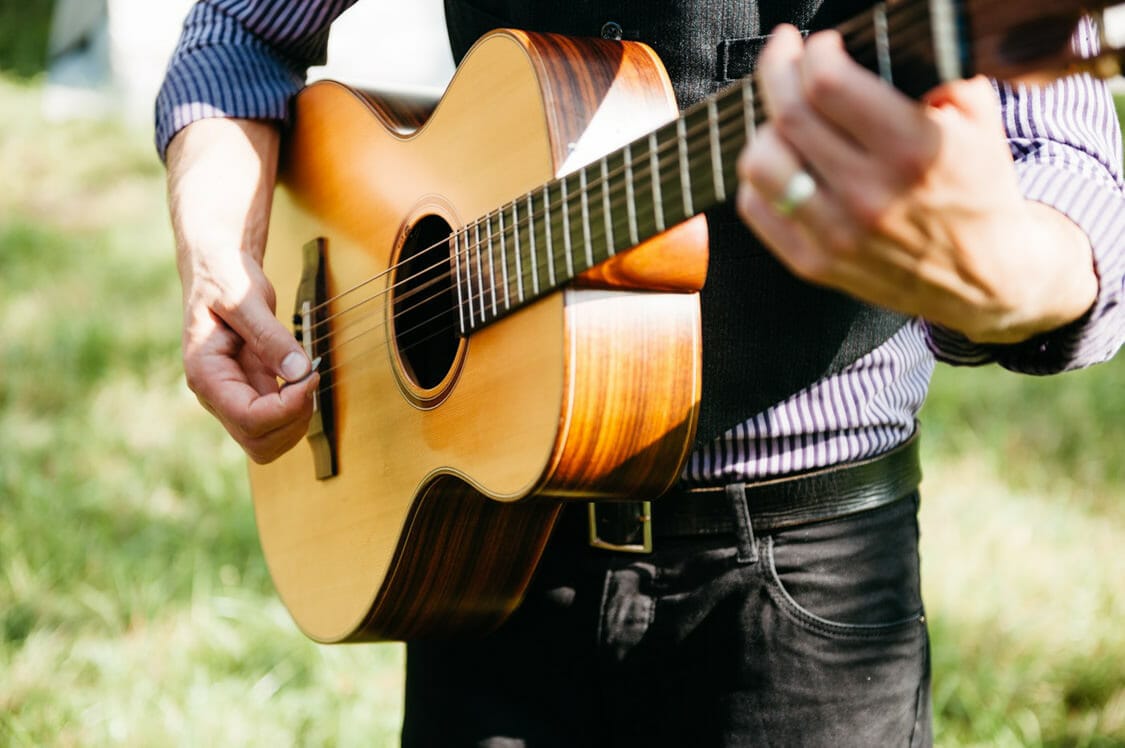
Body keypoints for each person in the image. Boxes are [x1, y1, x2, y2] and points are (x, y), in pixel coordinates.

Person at [156, 1, 1125, 745]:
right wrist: (217, 249)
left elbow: (1077, 187)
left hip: (798, 593)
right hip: (486, 542)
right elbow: (238, 30)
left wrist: (1004, 276)